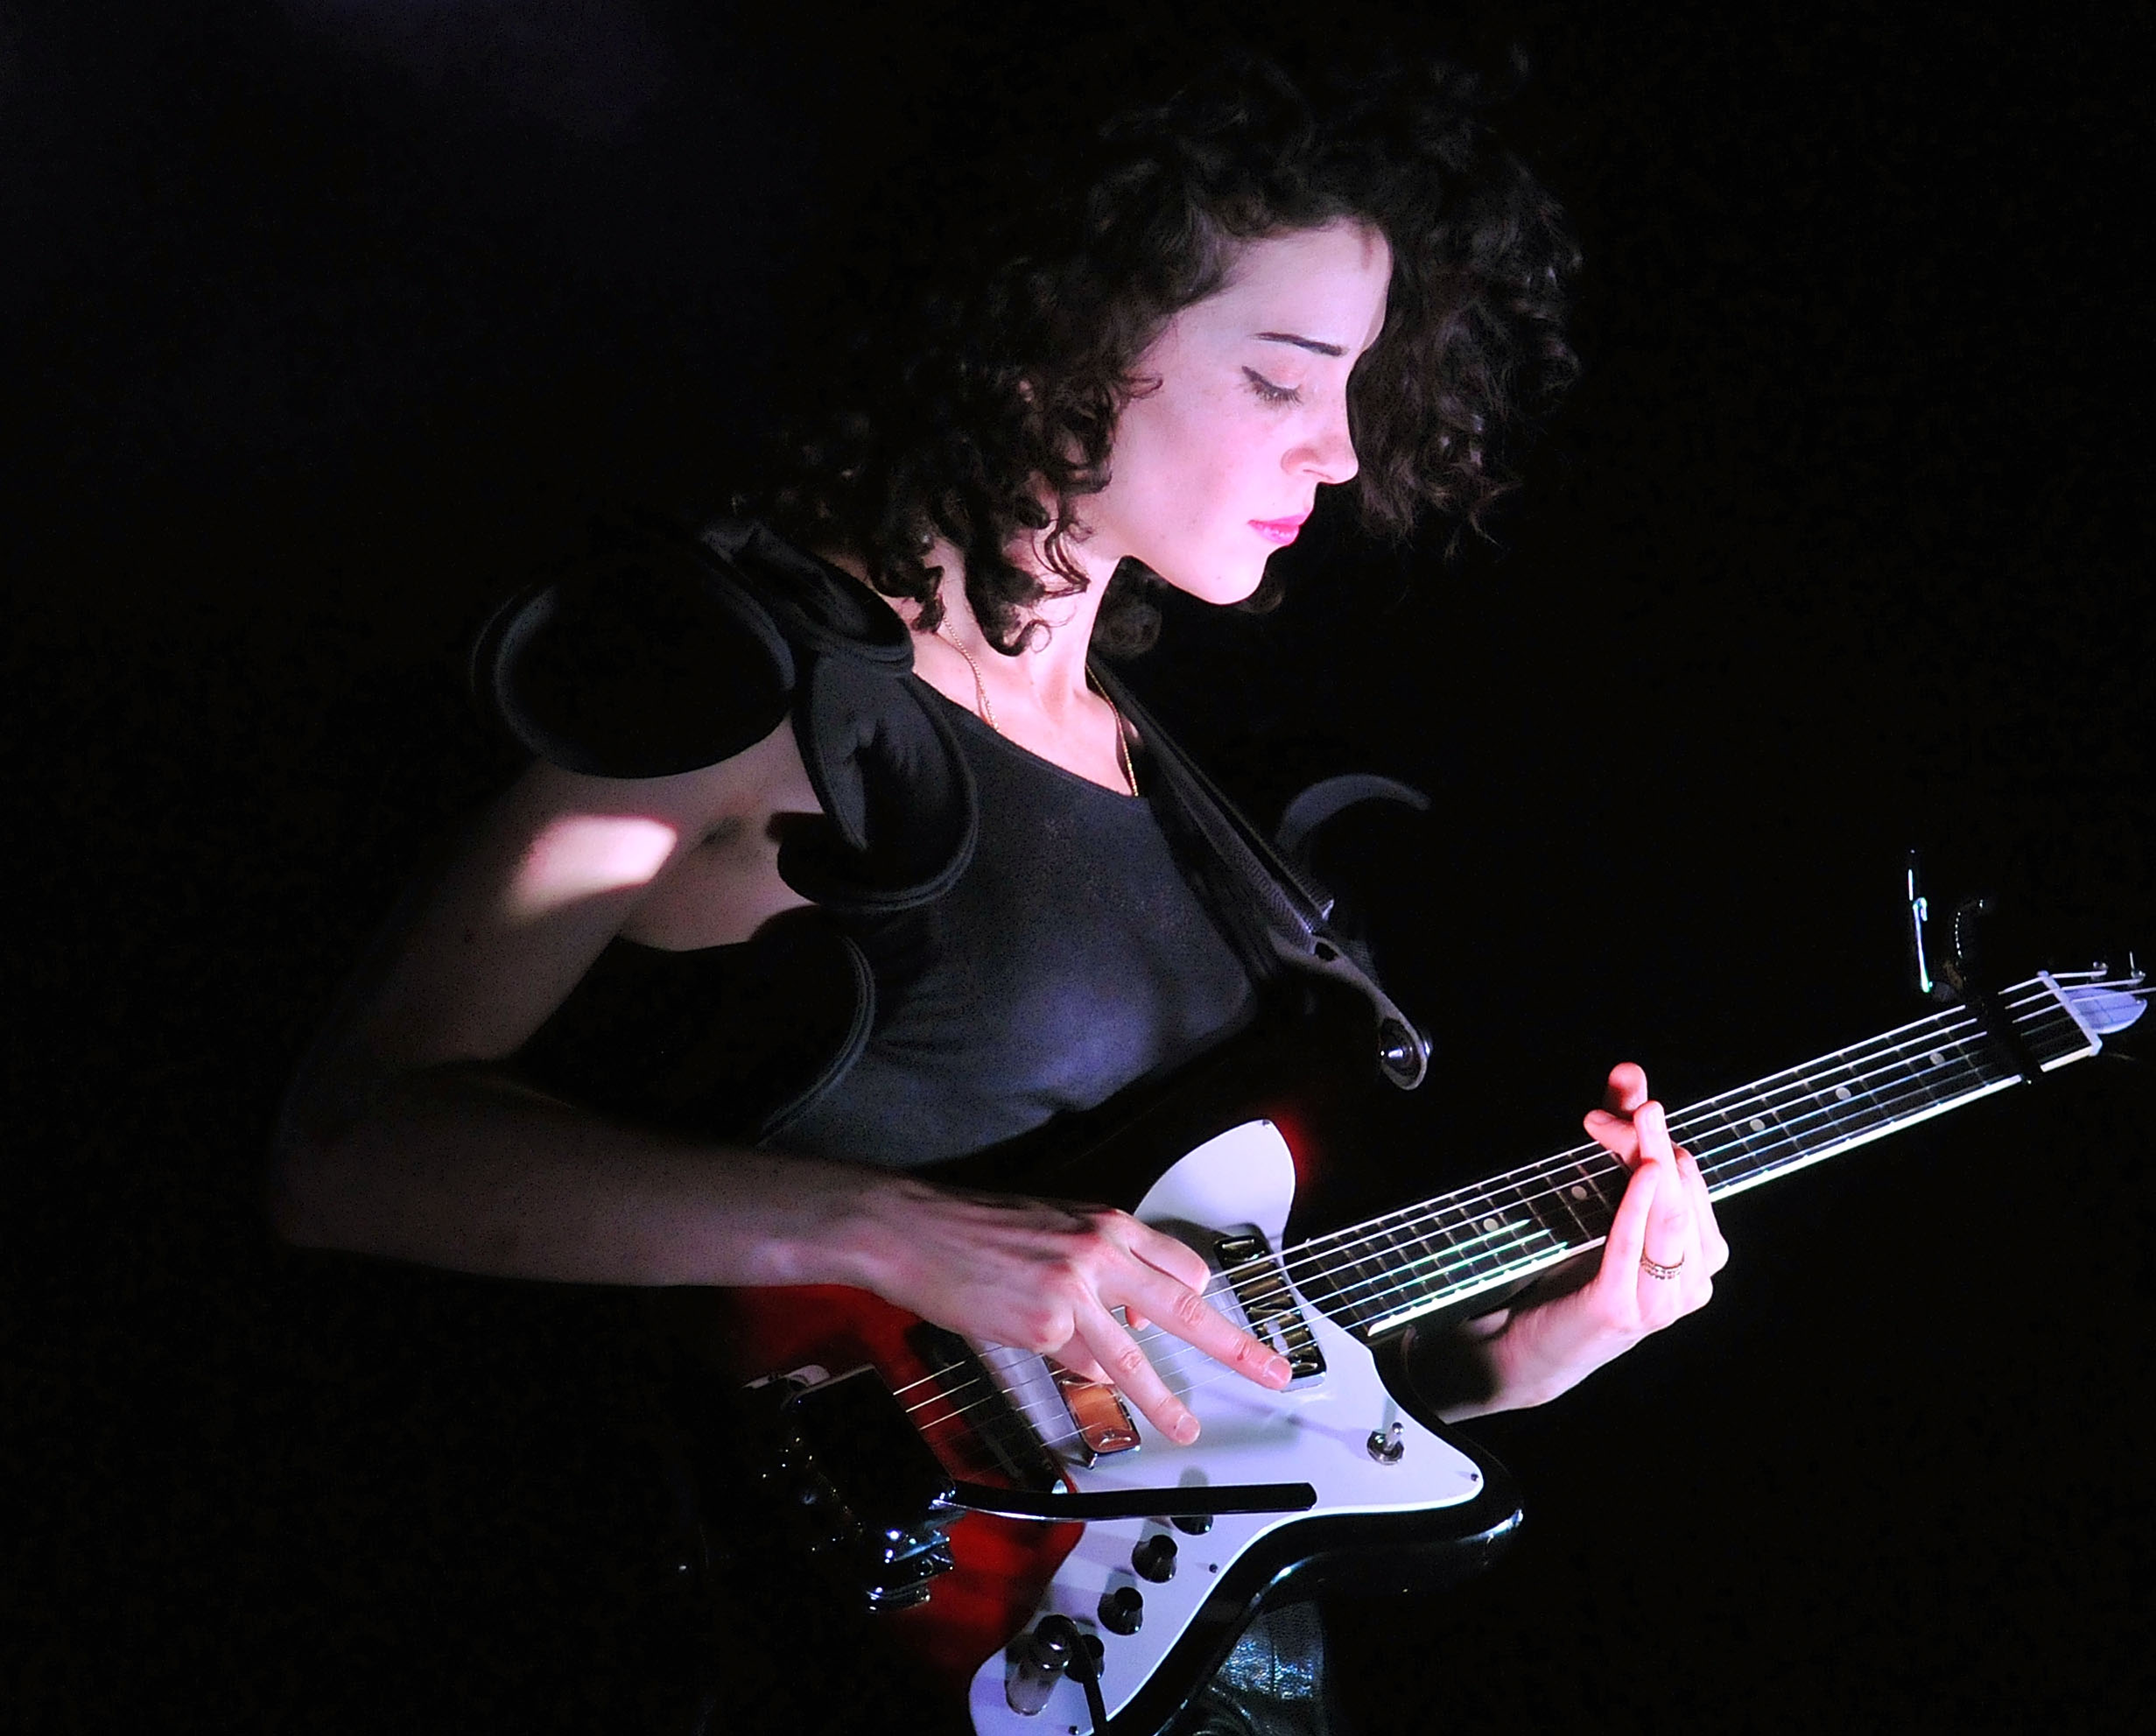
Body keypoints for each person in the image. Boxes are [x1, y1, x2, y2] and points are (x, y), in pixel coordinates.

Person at [270, 49, 1727, 1732]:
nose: (1338, 452)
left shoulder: (1169, 782)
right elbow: (347, 1146)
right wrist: (885, 1228)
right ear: (1064, 346)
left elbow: (1149, 1362)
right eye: (1282, 380)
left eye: (1358, 387)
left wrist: (1524, 1353)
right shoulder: (753, 697)